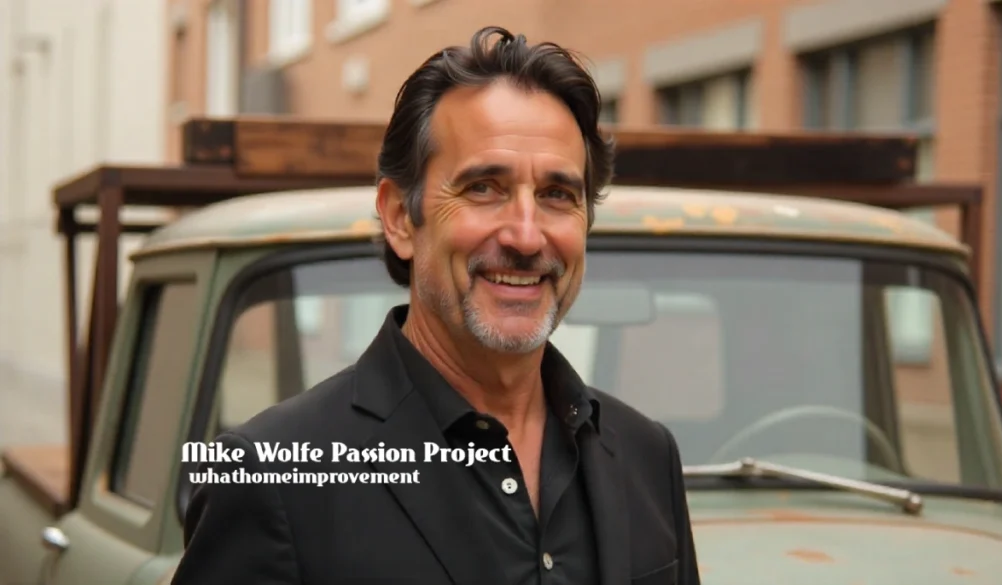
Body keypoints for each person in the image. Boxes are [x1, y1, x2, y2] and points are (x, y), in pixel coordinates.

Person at [171, 25, 701, 585]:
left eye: (556, 195)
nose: (525, 236)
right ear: (400, 216)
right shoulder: (271, 477)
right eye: (483, 188)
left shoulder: (647, 457)